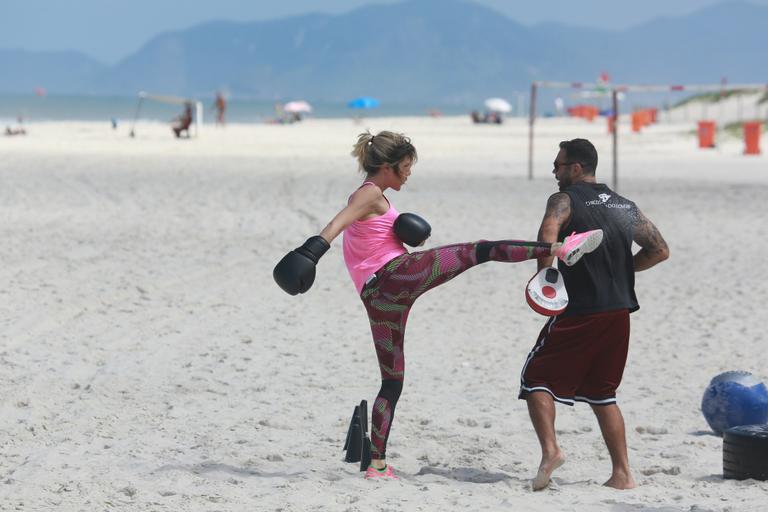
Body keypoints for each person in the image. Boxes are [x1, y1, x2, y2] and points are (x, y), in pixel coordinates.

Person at [274, 130, 604, 480]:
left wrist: (398, 234)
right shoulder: (370, 193)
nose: (409, 172)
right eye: (405, 166)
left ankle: (377, 465)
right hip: (395, 275)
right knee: (478, 249)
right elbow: (337, 223)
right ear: (388, 167)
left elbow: (365, 237)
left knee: (392, 382)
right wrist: (310, 252)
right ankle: (558, 249)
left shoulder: (375, 196)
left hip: (376, 297)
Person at [519, 138, 669, 491]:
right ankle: (622, 474)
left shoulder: (564, 199)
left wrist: (546, 275)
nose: (554, 172)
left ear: (575, 167)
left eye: (558, 165)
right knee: (603, 392)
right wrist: (622, 271)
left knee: (536, 378)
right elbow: (659, 250)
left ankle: (551, 450)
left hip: (580, 309)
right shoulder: (624, 205)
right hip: (619, 310)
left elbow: (547, 232)